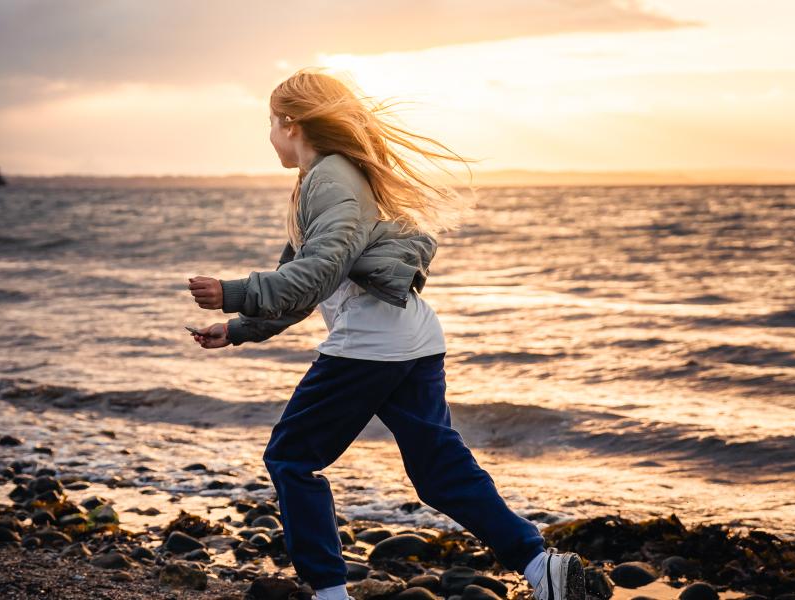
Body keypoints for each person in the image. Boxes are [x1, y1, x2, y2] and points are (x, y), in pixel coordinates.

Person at [187, 67, 586, 600]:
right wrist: (237, 329)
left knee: (290, 457)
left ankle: (329, 592)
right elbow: (303, 285)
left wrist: (234, 291)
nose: (269, 134)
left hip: (369, 348)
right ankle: (542, 567)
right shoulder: (325, 179)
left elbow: (319, 271)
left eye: (270, 122)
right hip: (414, 341)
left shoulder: (331, 178)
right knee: (438, 471)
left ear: (292, 124)